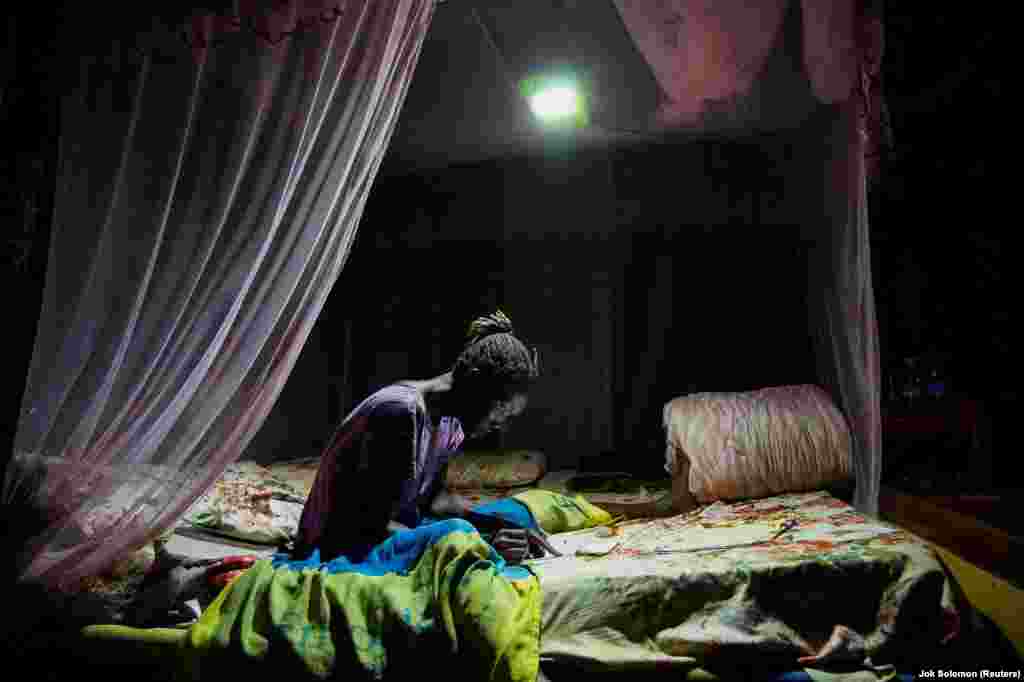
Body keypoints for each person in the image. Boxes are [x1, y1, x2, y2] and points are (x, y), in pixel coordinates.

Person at [294, 310, 542, 563]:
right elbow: (371, 526)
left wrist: (498, 525)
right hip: (343, 545)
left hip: (389, 531)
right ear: (478, 390)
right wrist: (484, 543)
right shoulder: (399, 411)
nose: (501, 426)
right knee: (460, 541)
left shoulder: (450, 425)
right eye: (502, 411)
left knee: (516, 515)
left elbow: (435, 500)